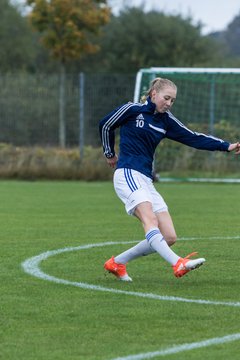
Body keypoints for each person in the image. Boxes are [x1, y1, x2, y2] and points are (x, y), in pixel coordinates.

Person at [99, 77, 240, 282]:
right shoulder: (132, 109)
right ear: (153, 94)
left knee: (169, 236)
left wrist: (227, 146)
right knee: (150, 220)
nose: (169, 103)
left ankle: (117, 262)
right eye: (166, 98)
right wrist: (109, 152)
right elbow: (105, 125)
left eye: (173, 100)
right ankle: (178, 263)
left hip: (145, 179)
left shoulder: (166, 120)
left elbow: (193, 137)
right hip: (128, 173)